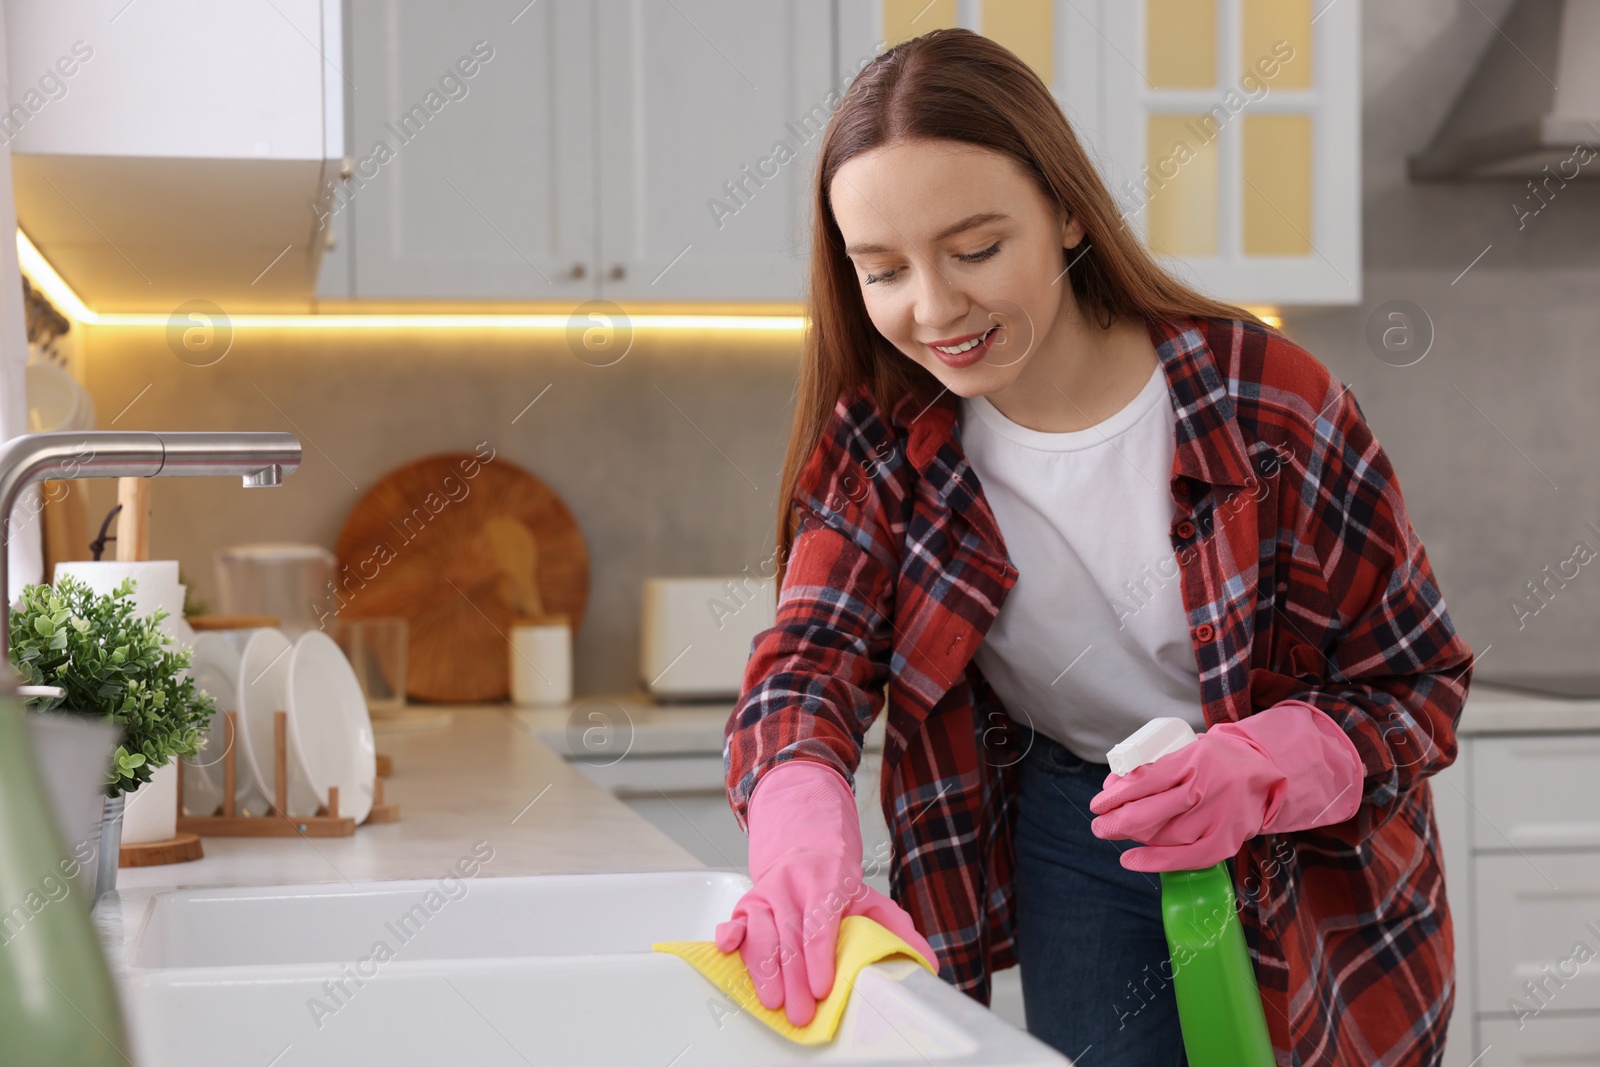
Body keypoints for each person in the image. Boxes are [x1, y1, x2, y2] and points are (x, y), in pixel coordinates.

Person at [719, 27, 1471, 1067]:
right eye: (883, 270)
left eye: (976, 249)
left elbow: (1418, 684)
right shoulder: (885, 436)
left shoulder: (1264, 401)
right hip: (1083, 822)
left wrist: (1265, 765)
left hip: (1305, 848)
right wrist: (798, 820)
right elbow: (808, 664)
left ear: (1067, 212)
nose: (935, 309)